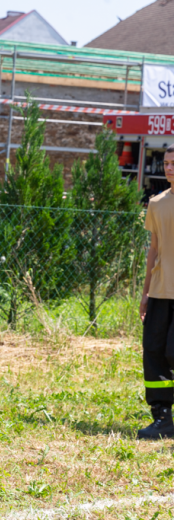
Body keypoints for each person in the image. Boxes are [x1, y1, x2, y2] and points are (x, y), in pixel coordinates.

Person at [139, 144, 174, 440]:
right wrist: (145, 293)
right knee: (153, 353)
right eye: (166, 163)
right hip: (161, 292)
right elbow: (154, 251)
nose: (169, 168)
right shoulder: (157, 203)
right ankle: (162, 418)